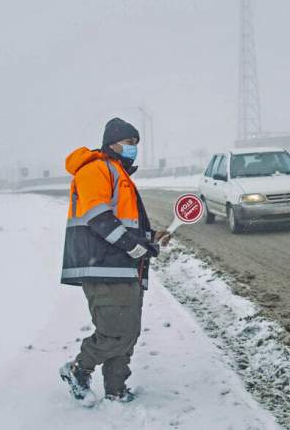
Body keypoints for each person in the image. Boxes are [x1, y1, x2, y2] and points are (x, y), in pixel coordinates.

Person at [58, 117, 171, 406]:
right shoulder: (96, 169)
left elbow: (124, 221)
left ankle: (116, 389)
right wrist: (134, 247)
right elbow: (97, 216)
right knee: (115, 333)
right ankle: (77, 368)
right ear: (113, 142)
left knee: (127, 332)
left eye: (136, 144)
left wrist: (149, 236)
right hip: (103, 266)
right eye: (129, 142)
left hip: (120, 267)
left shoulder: (118, 173)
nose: (134, 148)